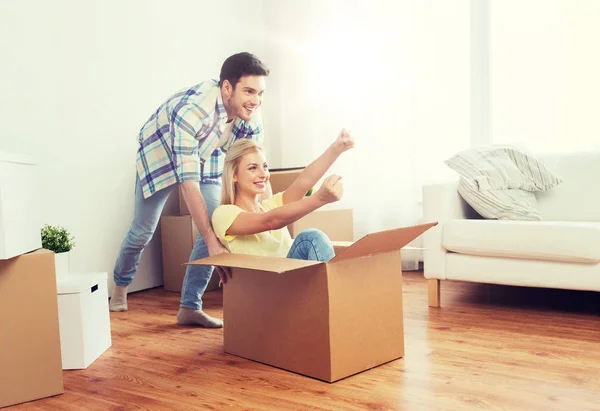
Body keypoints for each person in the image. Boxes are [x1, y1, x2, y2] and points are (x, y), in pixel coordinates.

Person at [110, 52, 270, 328]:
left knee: (217, 226)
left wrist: (271, 220)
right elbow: (188, 183)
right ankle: (120, 288)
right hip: (160, 155)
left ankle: (189, 307)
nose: (255, 100)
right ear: (227, 88)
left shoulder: (250, 117)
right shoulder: (192, 111)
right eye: (248, 91)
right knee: (143, 230)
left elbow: (258, 171)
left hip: (207, 155)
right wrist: (210, 240)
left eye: (260, 93)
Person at [211, 129, 354, 263]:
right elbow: (269, 221)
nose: (263, 174)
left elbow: (304, 182)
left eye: (265, 166)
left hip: (291, 278)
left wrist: (336, 149)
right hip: (268, 284)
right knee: (311, 238)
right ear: (234, 175)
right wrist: (320, 198)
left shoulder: (270, 205)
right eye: (253, 168)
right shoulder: (224, 214)